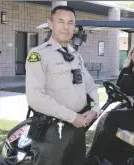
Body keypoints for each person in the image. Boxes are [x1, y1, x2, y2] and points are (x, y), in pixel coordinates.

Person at [25, 5, 99, 165]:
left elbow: (91, 86)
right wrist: (72, 117)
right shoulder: (38, 54)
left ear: (74, 27)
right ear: (50, 24)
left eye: (71, 23)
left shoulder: (76, 56)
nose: (66, 27)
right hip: (52, 132)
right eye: (61, 21)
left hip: (77, 129)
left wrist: (94, 110)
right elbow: (35, 97)